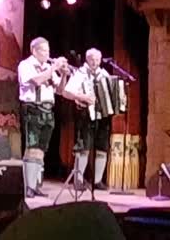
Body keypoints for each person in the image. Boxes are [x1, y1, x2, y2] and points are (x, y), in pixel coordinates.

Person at [18, 37, 70, 198]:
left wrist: (63, 75)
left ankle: (36, 185)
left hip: (48, 110)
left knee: (41, 149)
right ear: (34, 50)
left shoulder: (48, 67)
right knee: (32, 147)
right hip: (33, 108)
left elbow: (60, 91)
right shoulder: (25, 65)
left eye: (48, 51)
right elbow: (36, 80)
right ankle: (29, 186)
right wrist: (54, 68)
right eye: (44, 51)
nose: (48, 54)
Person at [62, 48, 111, 191]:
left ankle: (97, 181)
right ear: (86, 60)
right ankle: (78, 179)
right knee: (84, 147)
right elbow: (66, 92)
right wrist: (82, 97)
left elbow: (110, 91)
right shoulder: (80, 74)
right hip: (85, 114)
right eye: (92, 60)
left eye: (97, 60)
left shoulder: (104, 74)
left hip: (102, 115)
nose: (95, 63)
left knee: (102, 147)